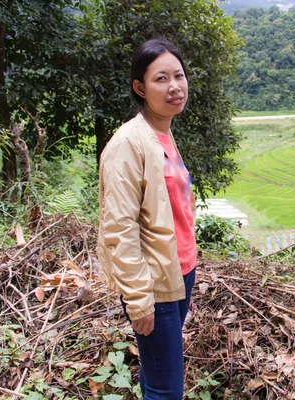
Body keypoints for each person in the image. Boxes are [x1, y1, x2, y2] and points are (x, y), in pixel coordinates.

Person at [97, 37, 197, 400]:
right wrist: (138, 299)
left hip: (179, 273)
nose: (174, 87)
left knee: (158, 376)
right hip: (154, 285)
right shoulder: (129, 142)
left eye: (179, 76)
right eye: (160, 79)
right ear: (140, 87)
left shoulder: (164, 135)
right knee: (166, 390)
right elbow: (118, 227)